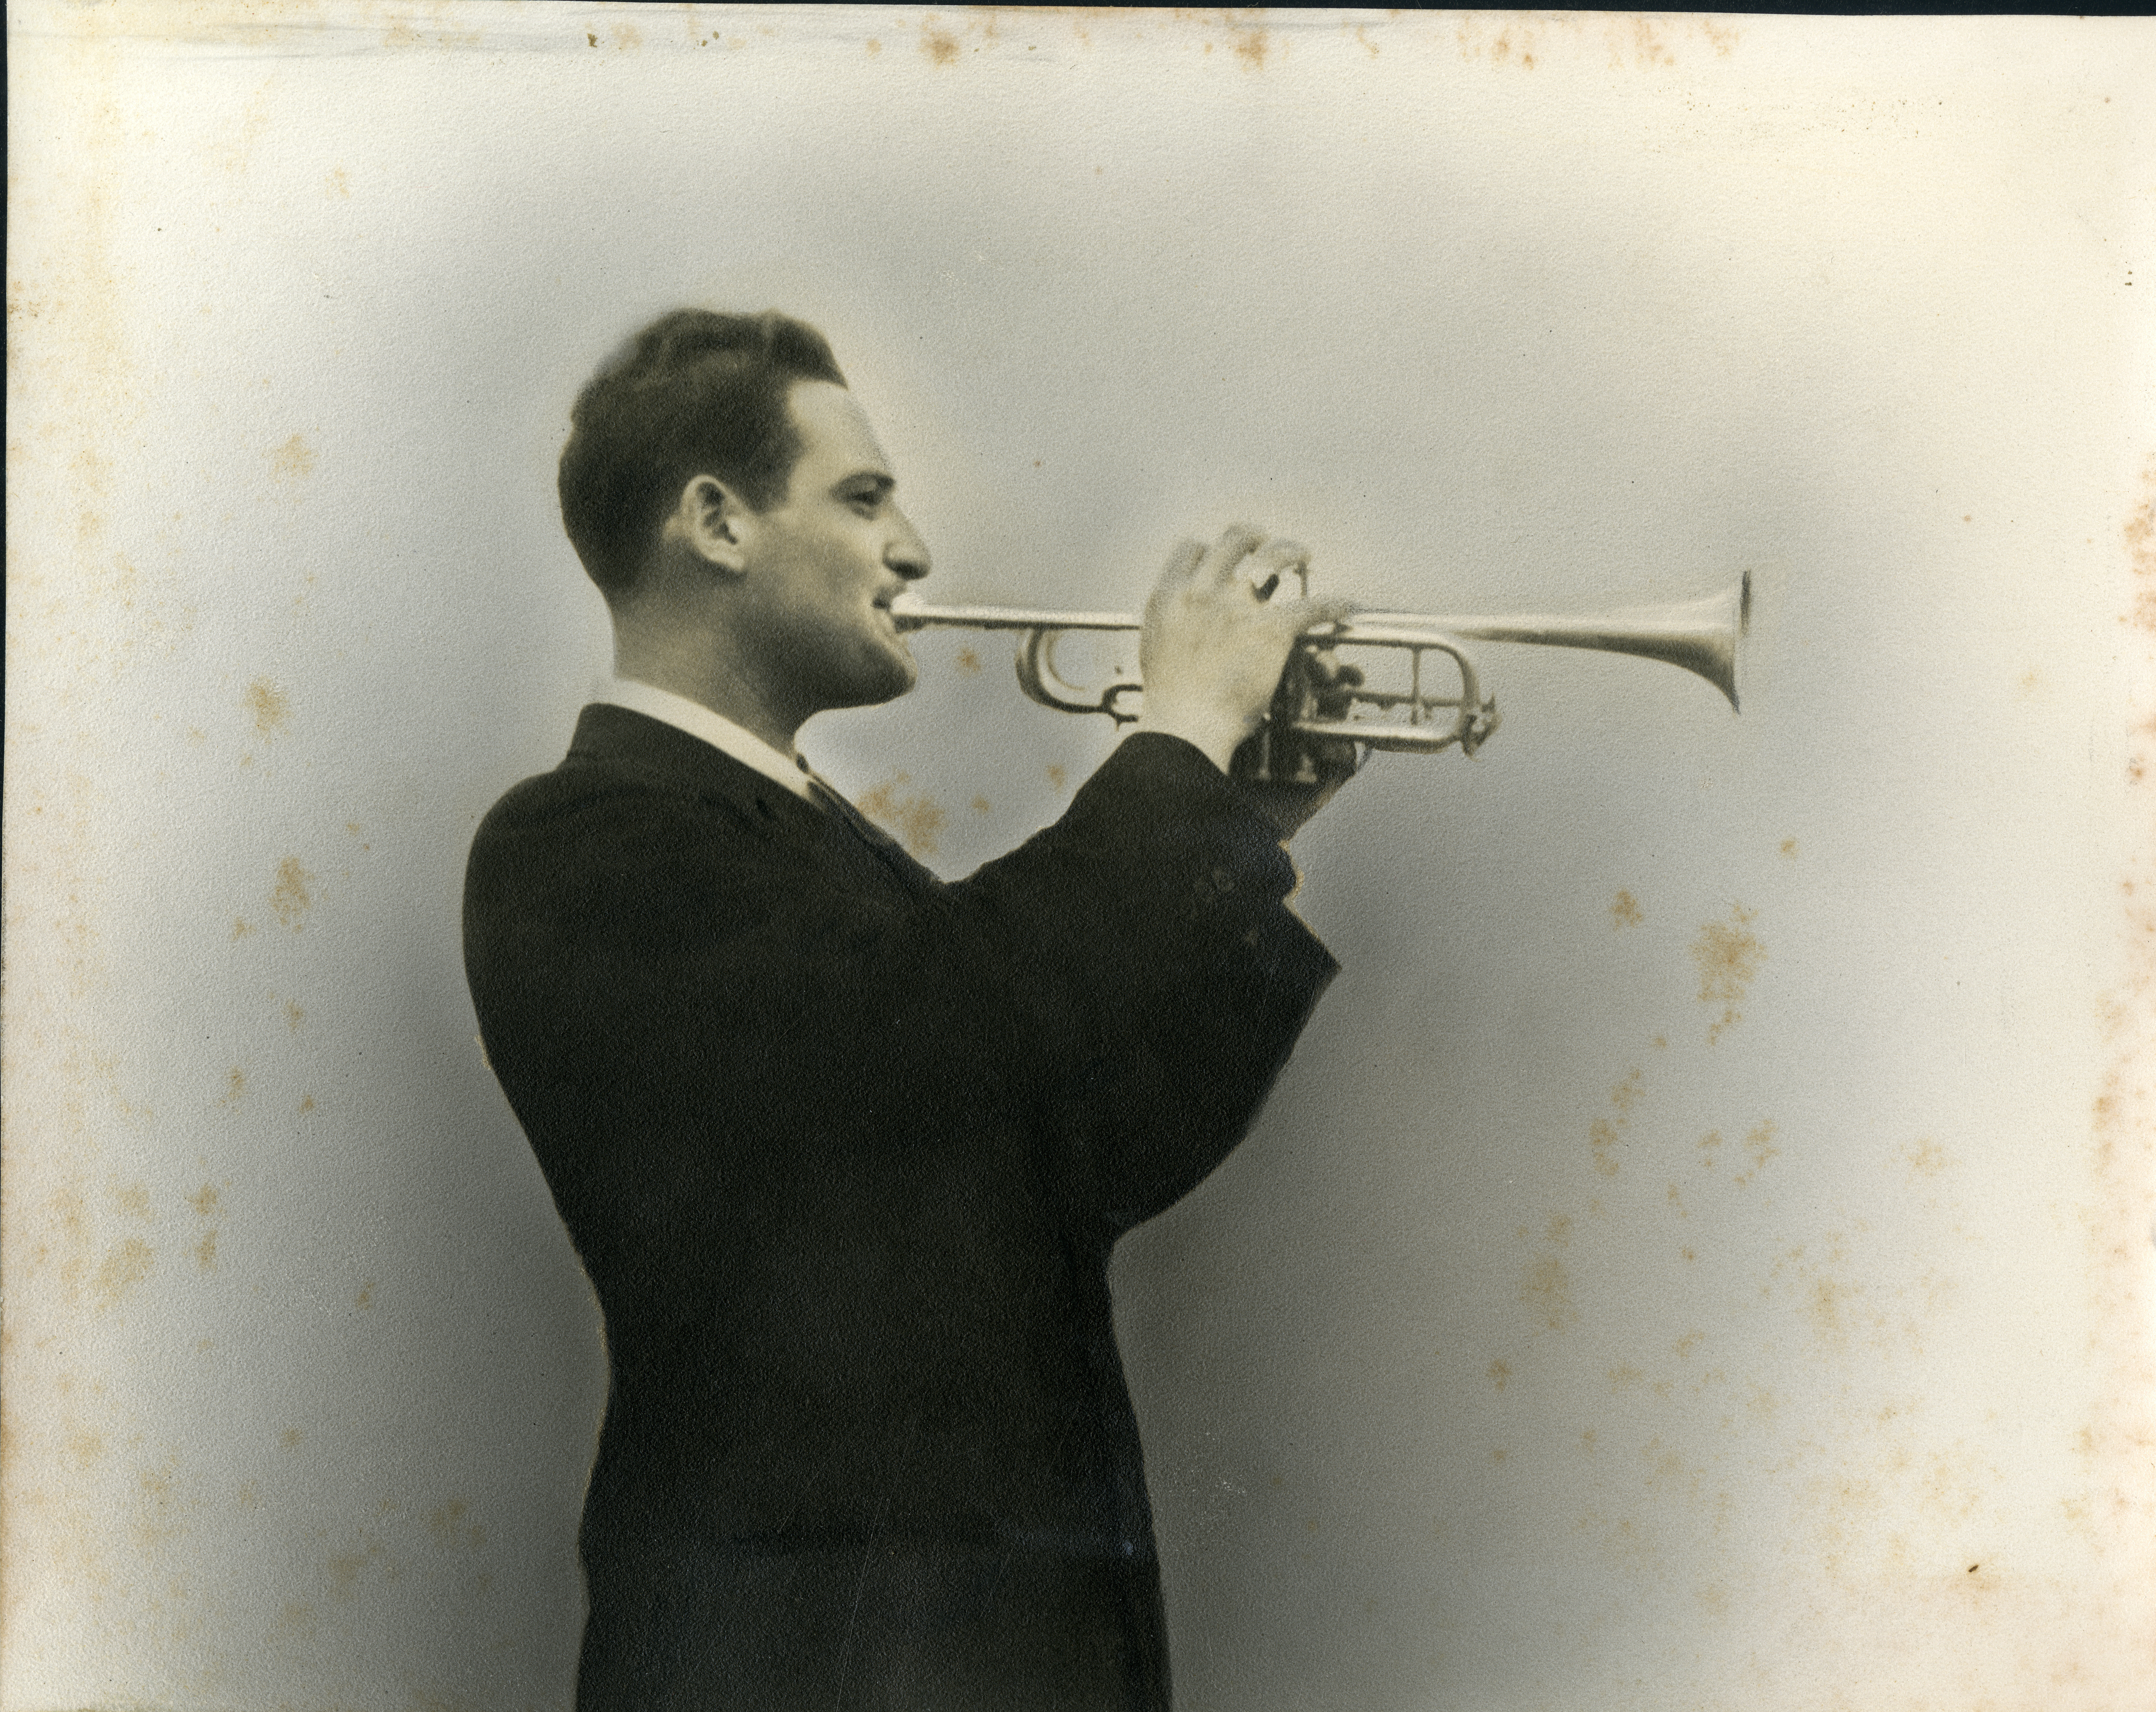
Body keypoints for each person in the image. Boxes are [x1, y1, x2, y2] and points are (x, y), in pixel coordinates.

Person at [463, 309, 1354, 1711]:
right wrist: (1174, 749)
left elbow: (1087, 1149)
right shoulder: (585, 839)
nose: (915, 550)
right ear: (716, 521)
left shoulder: (804, 845)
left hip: (981, 1634)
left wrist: (1236, 824)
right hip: (817, 1654)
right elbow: (943, 1030)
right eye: (864, 497)